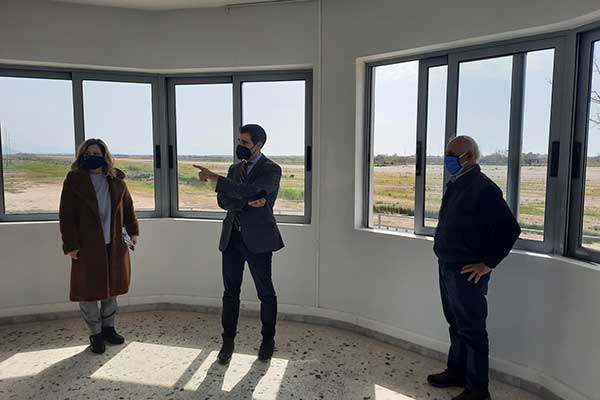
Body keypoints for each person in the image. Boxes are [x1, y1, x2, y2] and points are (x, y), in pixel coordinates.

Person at [427, 136, 521, 400]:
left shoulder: (483, 188)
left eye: (451, 154)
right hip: (447, 266)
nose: (447, 158)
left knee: (472, 330)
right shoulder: (458, 184)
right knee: (456, 324)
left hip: (466, 272)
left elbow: (510, 229)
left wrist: (487, 264)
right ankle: (457, 372)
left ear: (469, 157)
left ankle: (478, 391)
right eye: (446, 152)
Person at [194, 124, 284, 364]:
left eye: (245, 142)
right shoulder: (234, 169)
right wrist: (246, 200)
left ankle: (267, 341)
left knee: (266, 293)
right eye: (239, 141)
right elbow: (223, 201)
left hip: (259, 240)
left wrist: (219, 181)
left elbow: (255, 191)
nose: (239, 146)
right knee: (230, 293)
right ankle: (227, 342)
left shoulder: (271, 169)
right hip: (232, 239)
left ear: (258, 145)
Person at [59, 138, 139, 354]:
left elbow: (128, 209)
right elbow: (66, 215)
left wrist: (133, 232)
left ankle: (108, 328)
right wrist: (71, 245)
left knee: (112, 288)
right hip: (86, 246)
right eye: (87, 153)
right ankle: (95, 333)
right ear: (81, 156)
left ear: (105, 157)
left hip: (114, 245)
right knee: (88, 292)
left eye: (96, 153)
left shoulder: (117, 181)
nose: (91, 157)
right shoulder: (74, 181)